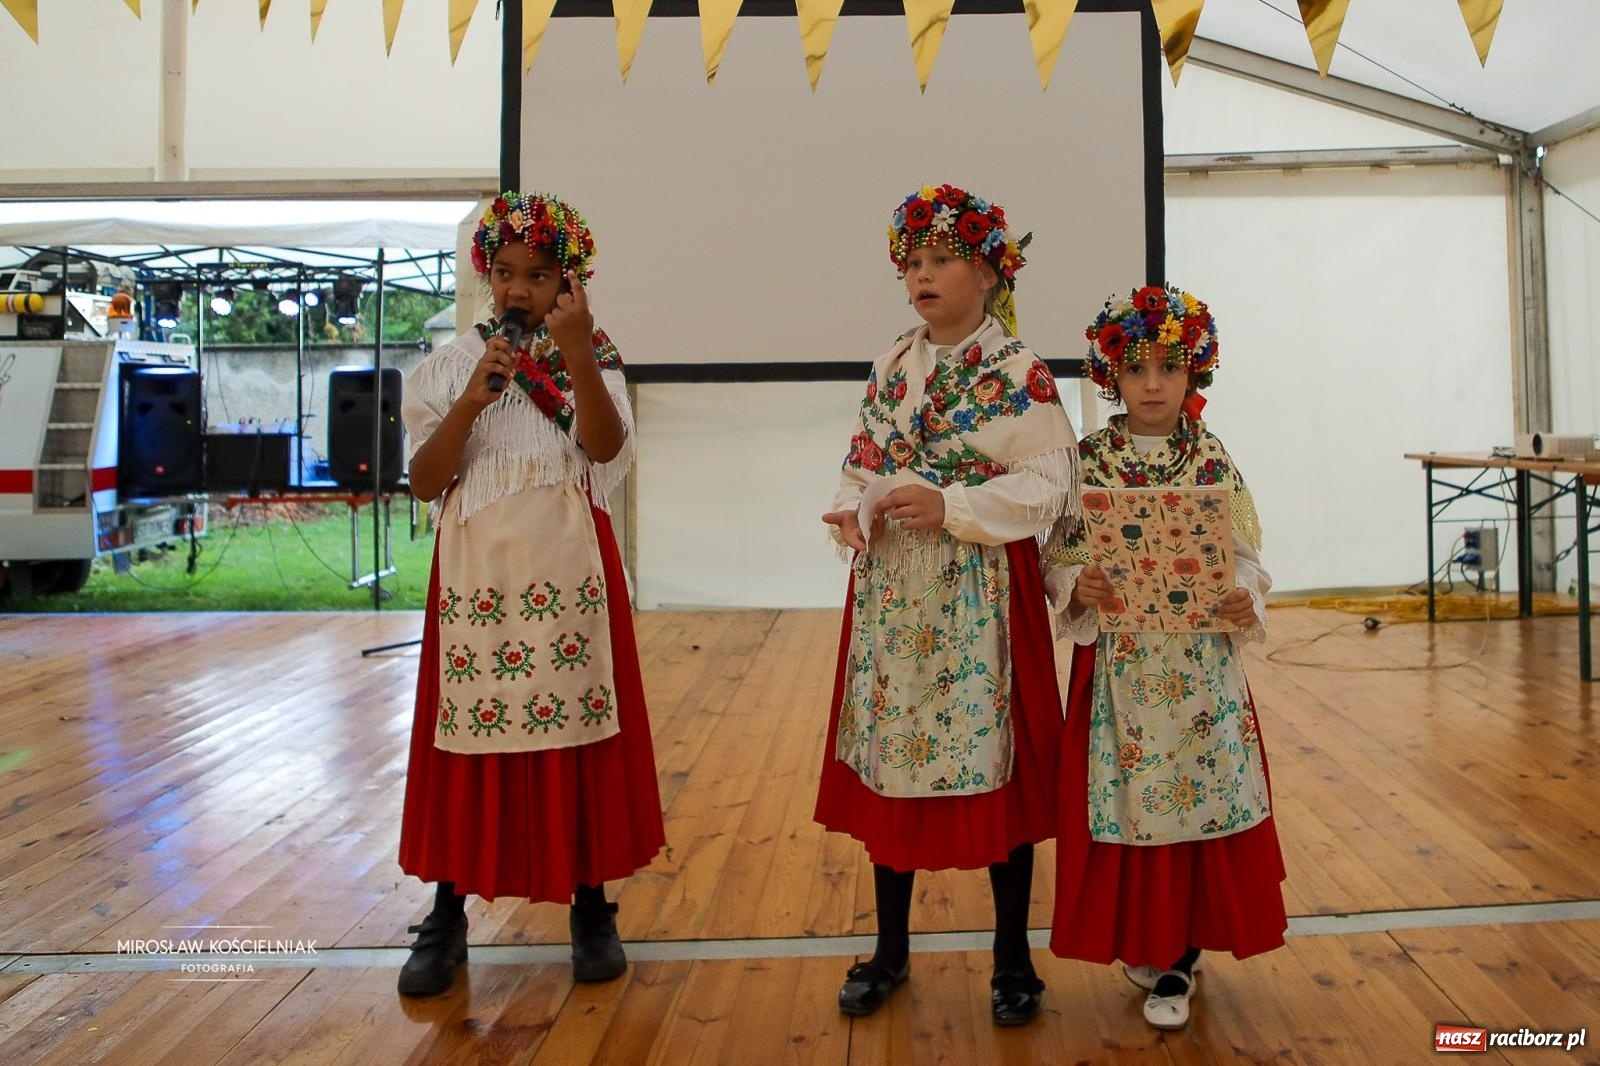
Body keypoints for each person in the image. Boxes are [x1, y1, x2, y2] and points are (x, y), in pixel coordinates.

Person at [814, 184, 1080, 1026]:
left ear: (990, 273)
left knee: (1001, 771)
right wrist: (852, 513)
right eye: (913, 263)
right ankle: (890, 949)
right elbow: (862, 464)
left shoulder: (1020, 373)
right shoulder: (891, 365)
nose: (921, 276)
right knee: (894, 762)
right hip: (896, 594)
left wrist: (952, 505)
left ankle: (1012, 956)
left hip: (983, 593)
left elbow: (1049, 484)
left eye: (941, 260)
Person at [395, 191, 665, 997]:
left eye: (540, 275)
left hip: (568, 570)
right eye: (507, 272)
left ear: (569, 284)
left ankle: (591, 905)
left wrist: (576, 353)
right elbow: (424, 481)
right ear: (486, 274)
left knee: (577, 734)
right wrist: (471, 402)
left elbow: (606, 449)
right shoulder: (451, 366)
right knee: (466, 738)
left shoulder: (592, 357)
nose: (519, 289)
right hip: (476, 576)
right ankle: (447, 913)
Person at [1044, 285, 1287, 1030]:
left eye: (1169, 368)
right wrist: (1077, 584)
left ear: (1193, 373)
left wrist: (1243, 595)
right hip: (1119, 670)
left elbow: (1245, 554)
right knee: (1128, 802)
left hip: (1200, 670)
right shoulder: (1088, 460)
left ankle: (1180, 954)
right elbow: (1058, 555)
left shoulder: (1211, 456)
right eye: (1136, 368)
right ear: (1111, 375)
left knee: (1195, 798)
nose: (1152, 384)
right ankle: (1145, 940)